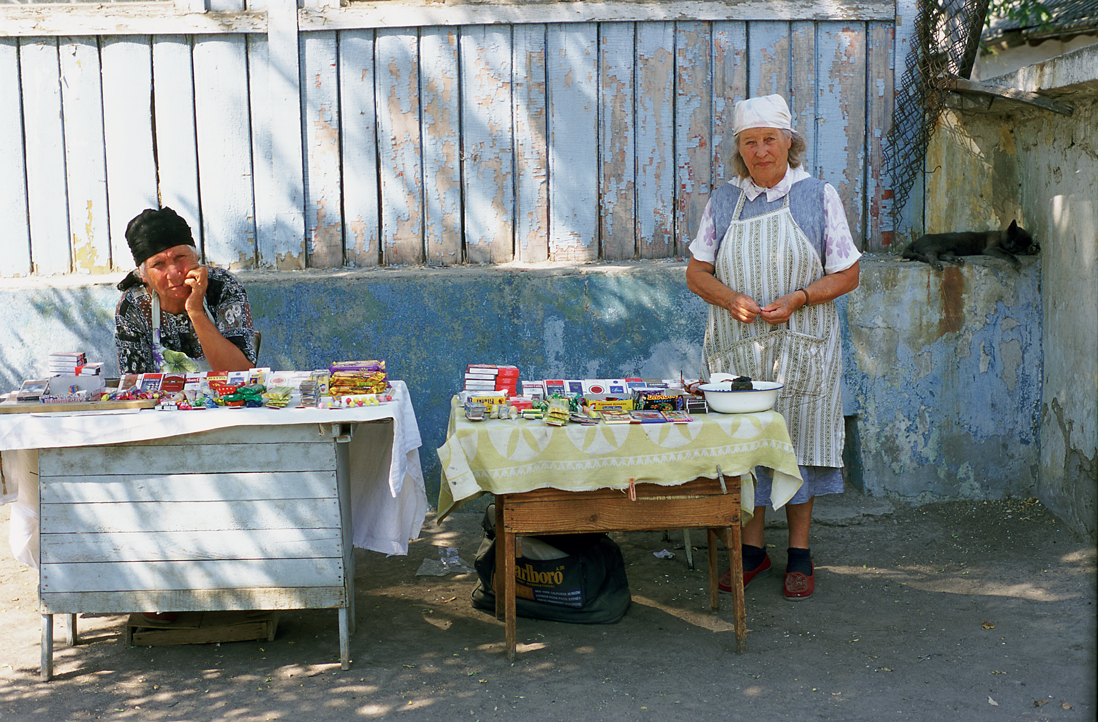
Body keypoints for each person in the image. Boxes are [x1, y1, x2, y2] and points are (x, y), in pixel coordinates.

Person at [686, 94, 861, 600]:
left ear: (789, 142)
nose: (760, 151)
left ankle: (800, 552)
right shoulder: (724, 200)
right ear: (739, 150)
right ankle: (753, 550)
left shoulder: (818, 195)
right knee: (746, 447)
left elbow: (848, 273)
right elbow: (696, 273)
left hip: (803, 348)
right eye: (750, 142)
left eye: (769, 140)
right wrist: (730, 298)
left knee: (800, 444)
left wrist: (801, 297)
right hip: (738, 349)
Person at [115, 207, 256, 375]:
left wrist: (196, 311)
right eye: (158, 264)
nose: (174, 273)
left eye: (180, 257)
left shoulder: (223, 286)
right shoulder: (133, 306)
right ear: (143, 274)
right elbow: (135, 385)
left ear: (196, 257)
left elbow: (241, 373)